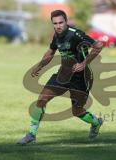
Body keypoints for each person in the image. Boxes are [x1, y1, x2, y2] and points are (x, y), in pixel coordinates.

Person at [17, 10, 104, 145]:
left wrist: (84, 63)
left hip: (81, 79)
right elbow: (50, 52)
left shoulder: (76, 34)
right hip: (62, 75)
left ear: (66, 21)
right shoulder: (56, 35)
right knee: (41, 99)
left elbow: (98, 46)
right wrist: (39, 66)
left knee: (77, 111)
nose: (58, 26)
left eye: (61, 23)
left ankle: (96, 122)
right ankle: (31, 135)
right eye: (55, 23)